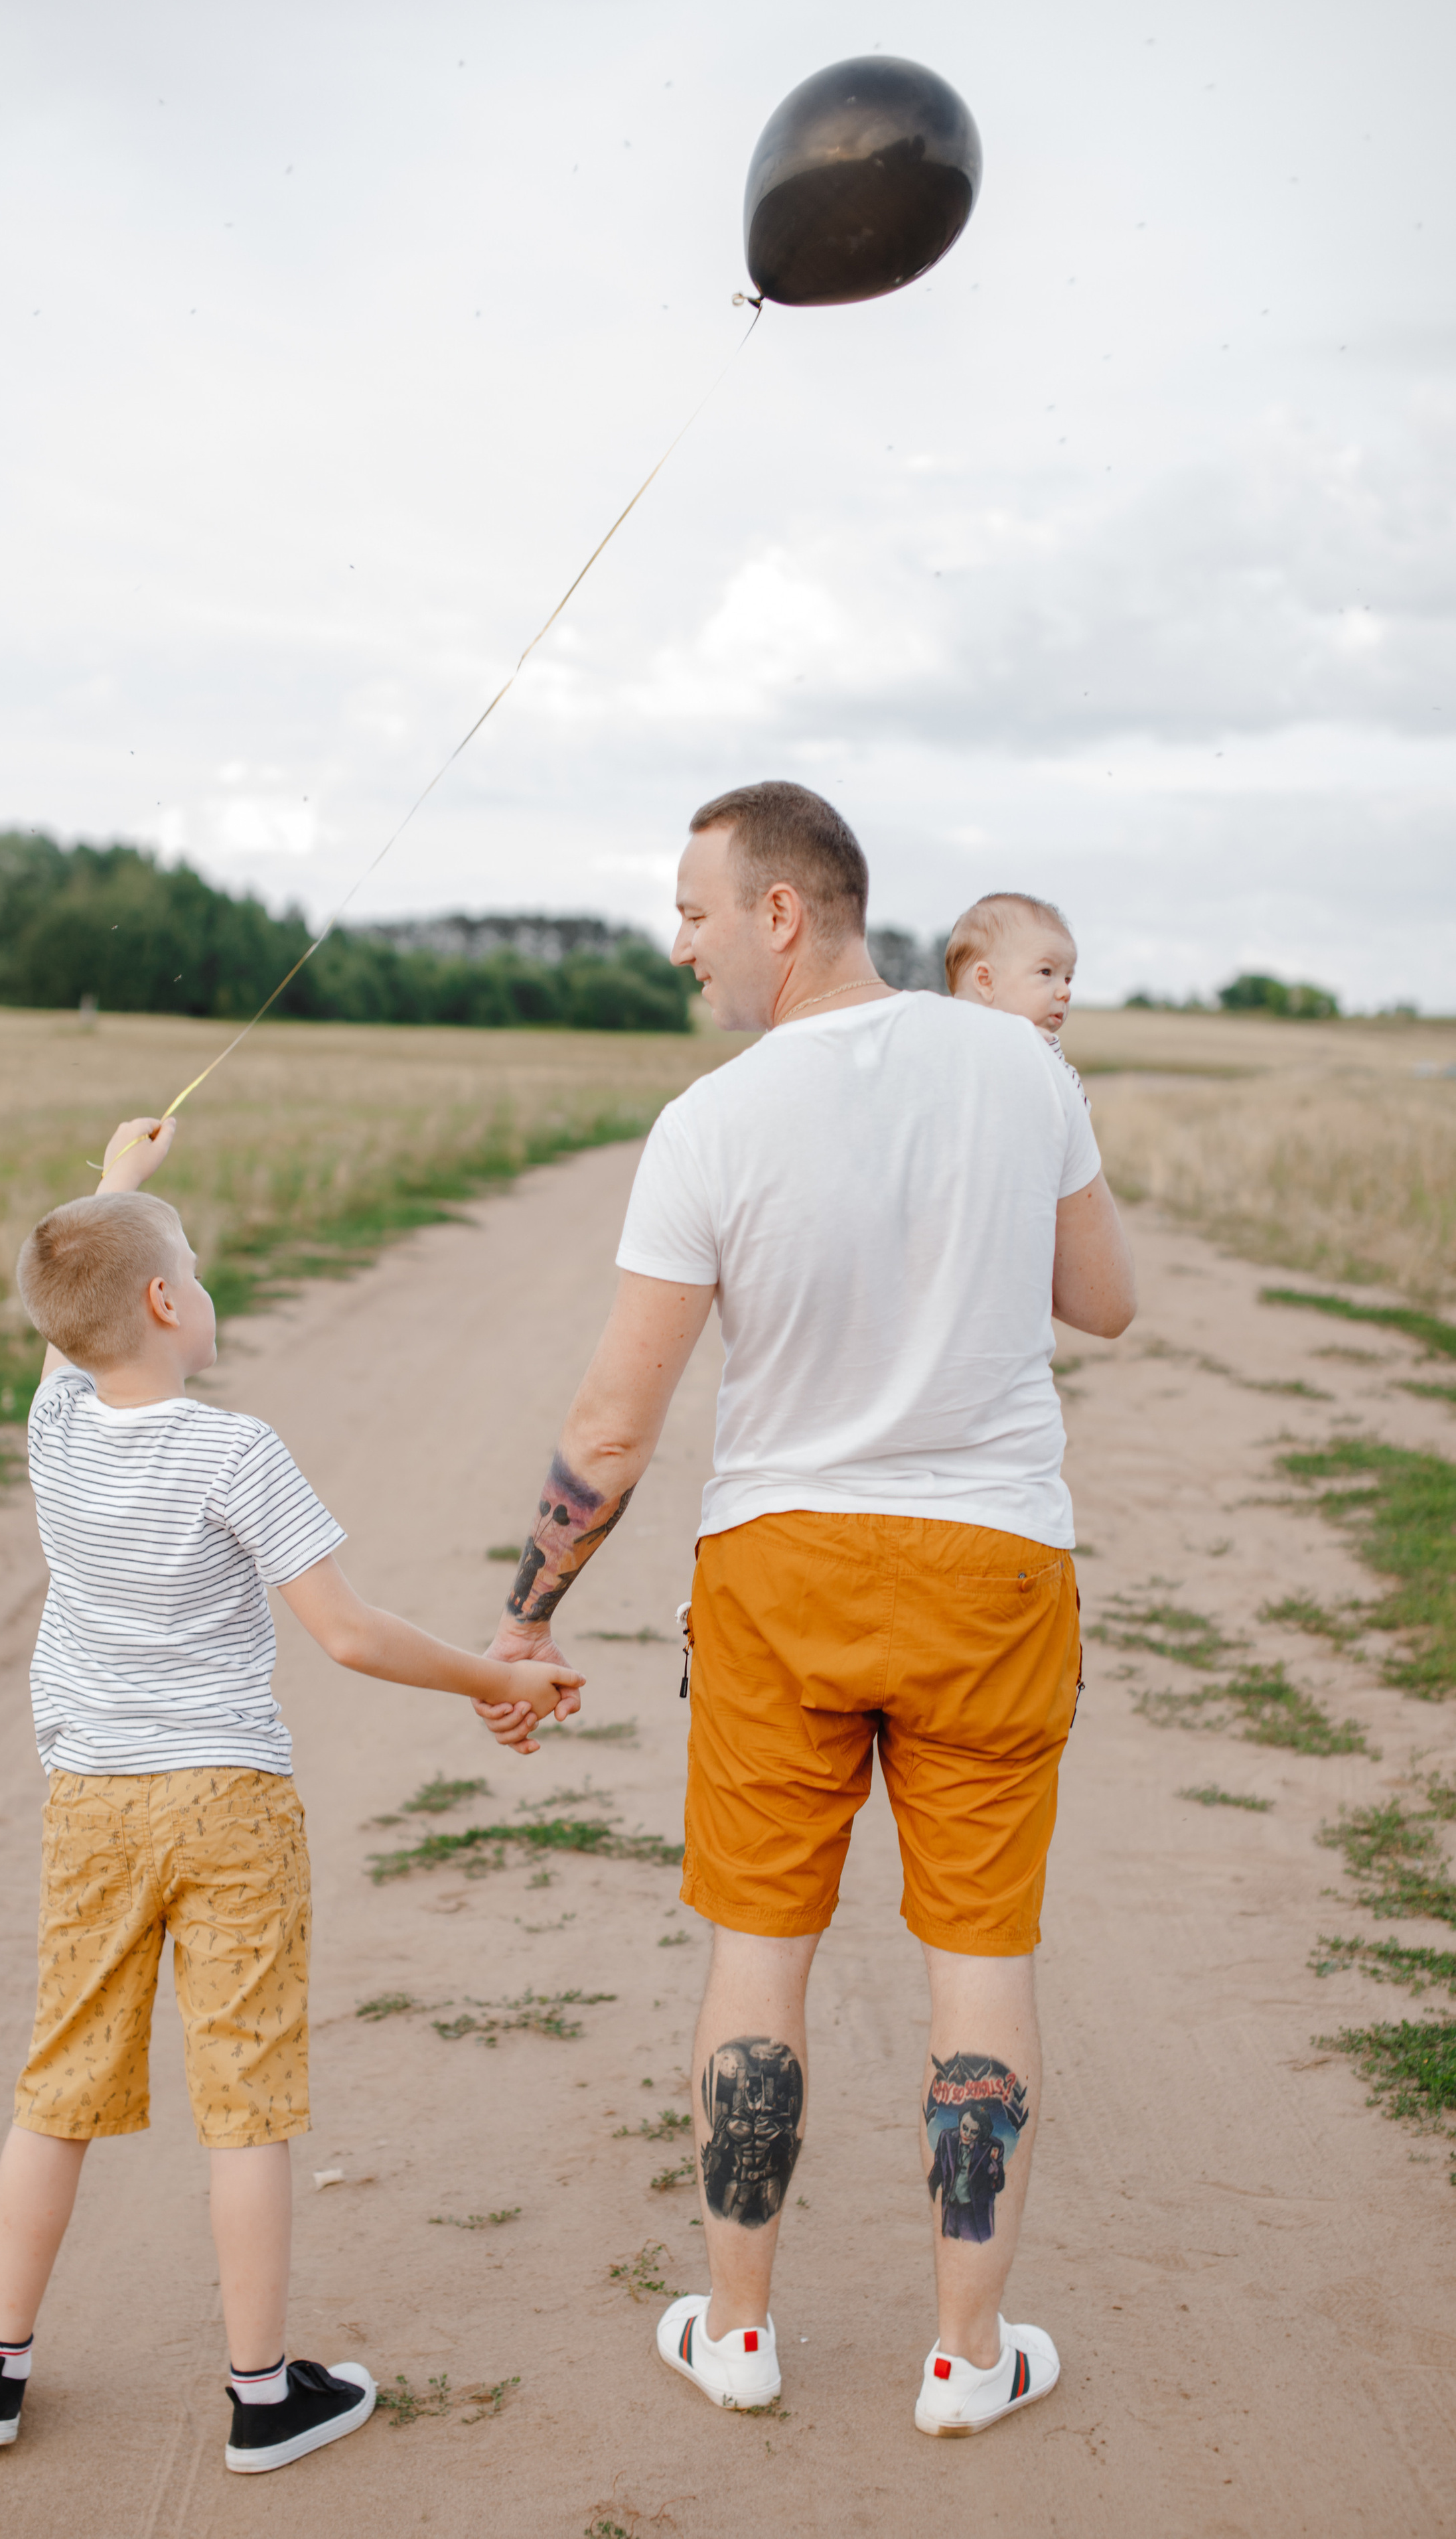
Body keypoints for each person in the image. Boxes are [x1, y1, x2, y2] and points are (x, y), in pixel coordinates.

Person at [474, 782, 1135, 2437]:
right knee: (976, 1954)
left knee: (757, 1951)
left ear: (782, 911)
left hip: (784, 1575)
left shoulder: (709, 1120)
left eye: (692, 907)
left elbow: (612, 1425)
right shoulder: (1021, 1067)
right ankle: (965, 2359)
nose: (675, 939)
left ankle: (742, 2330)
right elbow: (1103, 1303)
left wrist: (527, 1614)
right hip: (990, 1569)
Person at [0, 1117, 579, 2474]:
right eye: (196, 1268)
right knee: (245, 2094)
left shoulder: (54, 1428)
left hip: (94, 1805)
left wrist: (114, 1192)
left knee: (57, 2082)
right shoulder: (235, 1453)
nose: (207, 1287)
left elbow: (69, 1322)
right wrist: (489, 1676)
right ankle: (259, 2393)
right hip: (227, 1802)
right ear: (168, 1304)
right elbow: (345, 1634)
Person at [945, 891, 1084, 1084]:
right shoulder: (943, 1046)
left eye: (1068, 979)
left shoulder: (1047, 1054)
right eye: (1046, 972)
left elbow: (1075, 1112)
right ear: (986, 981)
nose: (1065, 992)